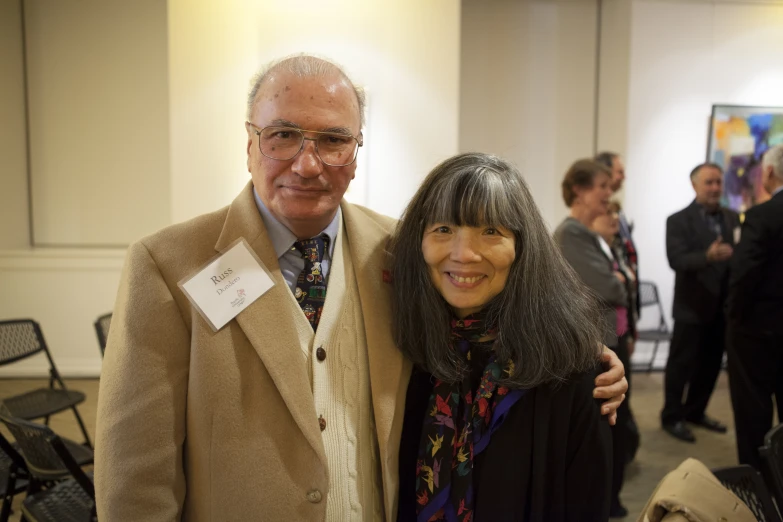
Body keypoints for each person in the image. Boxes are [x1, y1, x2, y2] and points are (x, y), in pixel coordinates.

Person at [95, 55, 627, 521]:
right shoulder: (168, 266)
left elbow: (488, 318)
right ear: (250, 144)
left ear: (356, 152)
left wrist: (585, 360)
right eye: (282, 135)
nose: (307, 164)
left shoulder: (398, 249)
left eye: (332, 140)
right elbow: (135, 473)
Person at [393, 153, 612, 521]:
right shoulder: (404, 349)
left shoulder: (572, 369)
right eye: (443, 229)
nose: (463, 254)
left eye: (491, 231)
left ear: (522, 248)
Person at [554, 160, 630, 517]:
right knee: (612, 430)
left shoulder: (590, 235)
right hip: (593, 345)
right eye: (601, 185)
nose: (608, 192)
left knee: (619, 429)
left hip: (608, 338)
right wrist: (621, 282)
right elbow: (610, 285)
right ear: (580, 191)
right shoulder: (571, 234)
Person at [661, 163, 739, 443]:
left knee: (710, 366)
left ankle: (695, 411)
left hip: (722, 310)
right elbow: (676, 260)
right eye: (709, 183)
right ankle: (671, 416)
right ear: (694, 185)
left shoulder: (733, 218)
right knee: (680, 366)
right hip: (690, 309)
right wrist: (706, 256)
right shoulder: (677, 220)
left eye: (718, 182)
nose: (715, 188)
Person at [726, 144, 783, 471]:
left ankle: (759, 483)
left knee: (753, 412)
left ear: (769, 173)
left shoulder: (762, 215)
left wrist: (733, 318)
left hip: (757, 331)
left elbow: (744, 273)